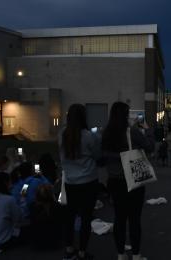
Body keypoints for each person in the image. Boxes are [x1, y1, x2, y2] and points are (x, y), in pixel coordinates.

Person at [102, 101, 154, 260]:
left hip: (114, 181)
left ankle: (120, 254)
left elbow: (102, 156)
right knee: (134, 219)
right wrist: (148, 129)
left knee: (119, 218)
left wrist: (116, 157)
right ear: (125, 115)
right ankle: (136, 255)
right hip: (133, 180)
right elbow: (150, 147)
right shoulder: (132, 132)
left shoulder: (106, 132)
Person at [59, 104, 101, 260]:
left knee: (69, 217)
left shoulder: (62, 134)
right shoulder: (89, 136)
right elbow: (97, 156)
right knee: (86, 218)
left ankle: (69, 249)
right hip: (88, 181)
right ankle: (82, 252)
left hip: (70, 181)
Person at [29, 184, 63, 249]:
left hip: (37, 243)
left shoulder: (32, 206)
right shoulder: (57, 206)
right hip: (54, 242)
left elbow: (22, 199)